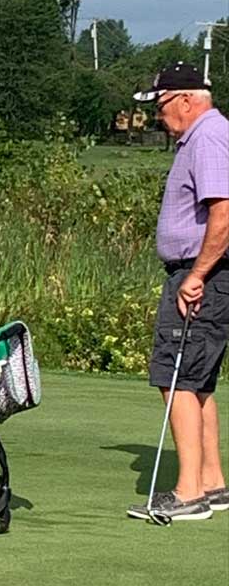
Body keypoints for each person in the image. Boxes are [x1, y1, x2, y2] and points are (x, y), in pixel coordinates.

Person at [127, 62, 229, 522]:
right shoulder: (207, 134)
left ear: (187, 99)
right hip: (204, 272)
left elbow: (223, 214)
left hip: (201, 273)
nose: (160, 117)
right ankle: (210, 483)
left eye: (163, 105)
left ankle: (188, 492)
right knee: (198, 381)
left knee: (177, 378)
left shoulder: (207, 136)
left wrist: (196, 275)